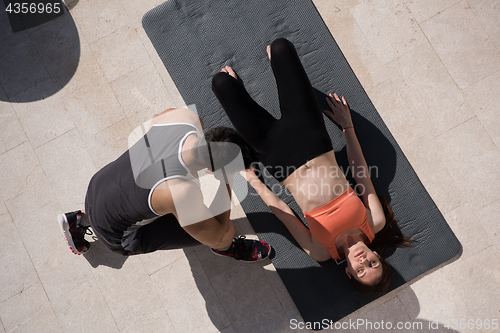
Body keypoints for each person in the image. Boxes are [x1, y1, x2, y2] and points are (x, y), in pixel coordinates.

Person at [211, 38, 411, 294]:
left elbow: (284, 213)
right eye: (373, 263)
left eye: (361, 270)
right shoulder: (375, 222)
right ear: (377, 256)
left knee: (221, 83)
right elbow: (361, 173)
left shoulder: (320, 252)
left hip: (274, 153)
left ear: (349, 274)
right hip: (311, 137)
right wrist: (347, 127)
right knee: (281, 47)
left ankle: (236, 88)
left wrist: (252, 179)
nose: (364, 261)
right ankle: (277, 66)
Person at [57, 107, 270, 262]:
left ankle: (79, 219)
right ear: (211, 171)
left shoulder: (186, 118)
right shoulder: (181, 191)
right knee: (224, 233)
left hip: (98, 187)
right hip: (117, 236)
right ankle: (228, 250)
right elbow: (219, 232)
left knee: (141, 197)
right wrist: (227, 178)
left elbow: (157, 120)